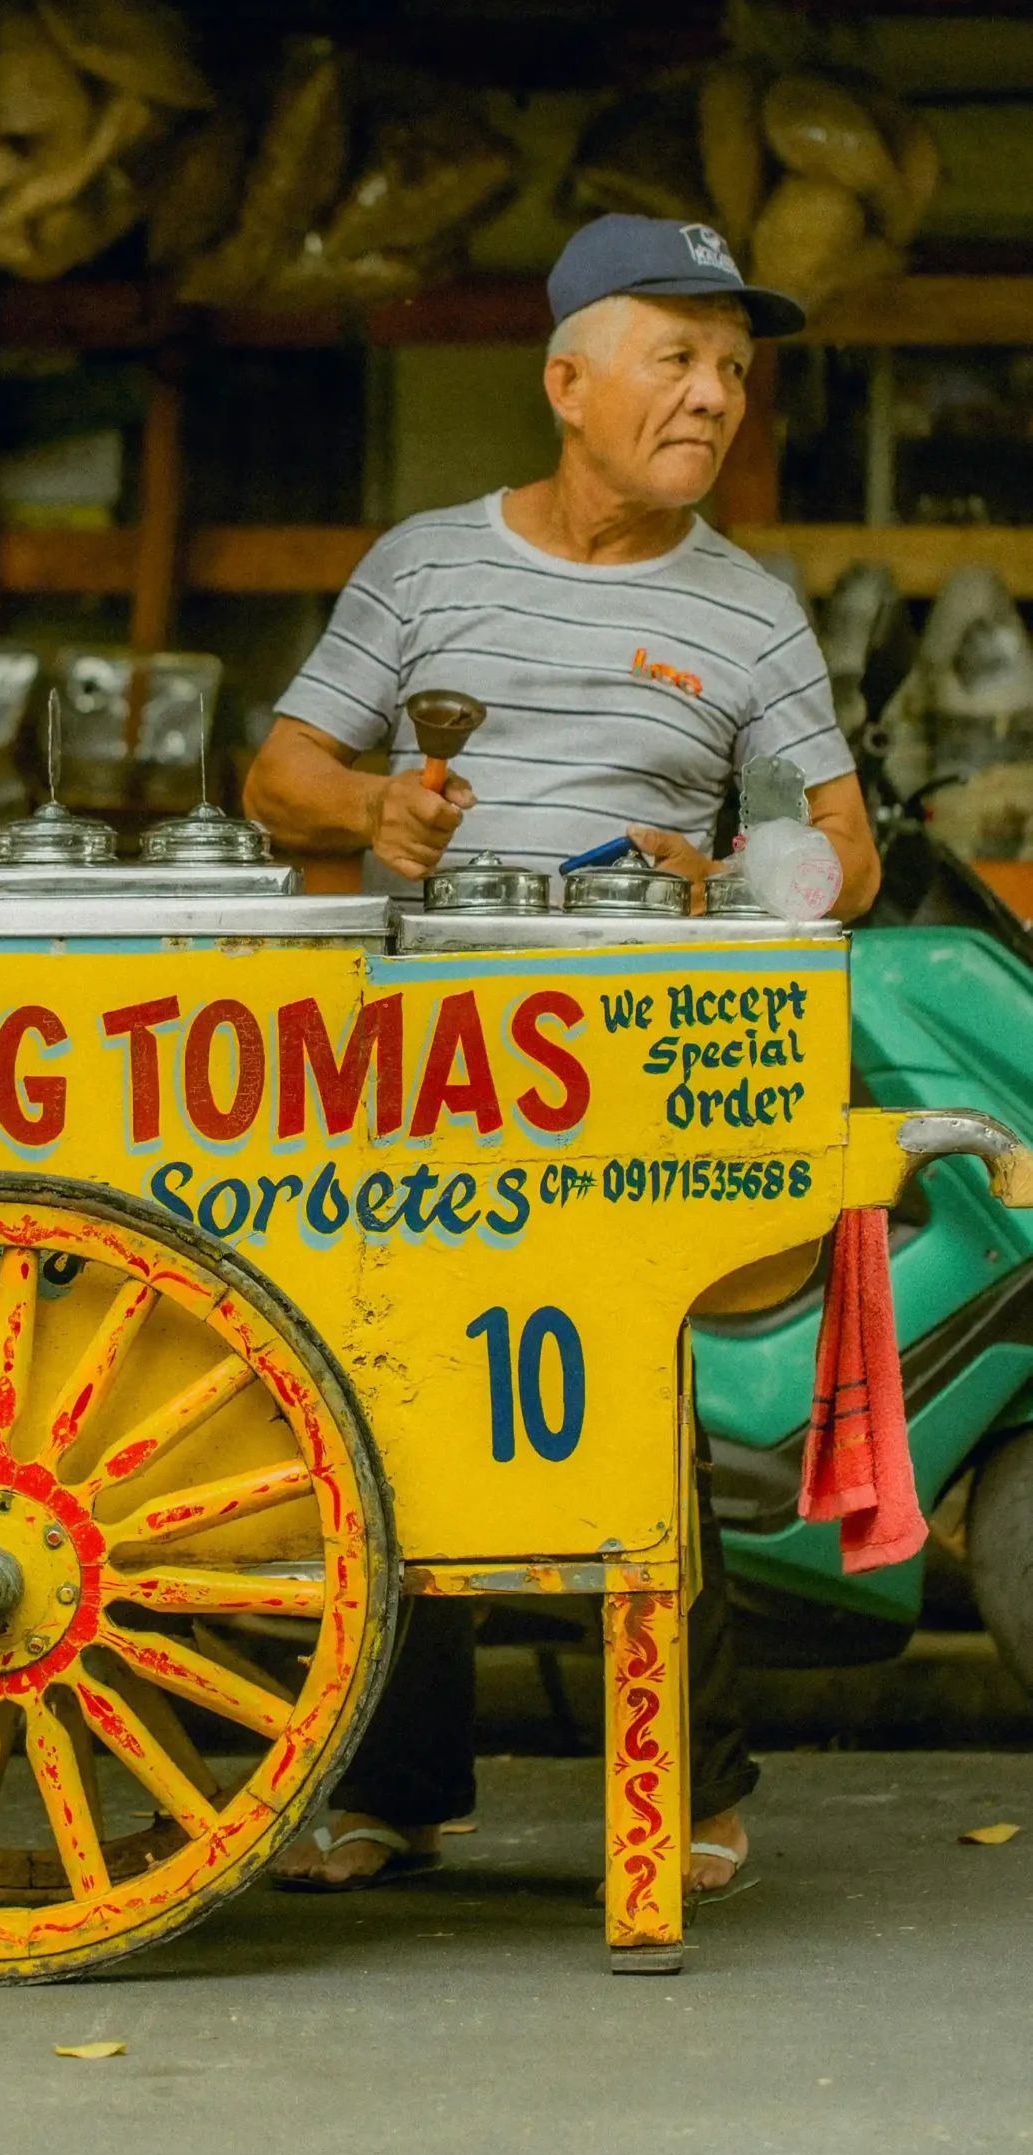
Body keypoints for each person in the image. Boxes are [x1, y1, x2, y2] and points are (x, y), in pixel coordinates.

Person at [242, 212, 880, 1897]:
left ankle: (695, 1789)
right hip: (426, 1064)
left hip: (621, 1073)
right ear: (567, 379)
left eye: (732, 371)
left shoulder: (748, 614)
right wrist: (378, 803)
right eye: (676, 357)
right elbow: (278, 779)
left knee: (620, 1404)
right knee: (394, 1390)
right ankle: (394, 1790)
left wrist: (736, 875)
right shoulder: (426, 569)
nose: (713, 396)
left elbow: (845, 853)